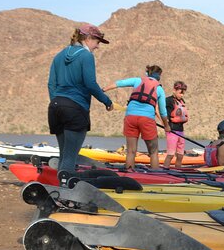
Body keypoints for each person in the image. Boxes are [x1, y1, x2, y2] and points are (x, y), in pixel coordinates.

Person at [48, 24, 113, 176]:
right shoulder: (86, 56)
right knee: (70, 156)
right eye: (97, 42)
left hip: (55, 107)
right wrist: (106, 101)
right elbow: (90, 83)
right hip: (75, 109)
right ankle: (66, 191)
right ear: (88, 38)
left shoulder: (59, 55)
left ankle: (60, 186)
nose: (97, 47)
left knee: (64, 154)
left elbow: (51, 84)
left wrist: (57, 101)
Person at [103, 65, 170, 170]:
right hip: (147, 119)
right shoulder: (159, 89)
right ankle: (156, 177)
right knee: (153, 152)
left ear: (148, 73)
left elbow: (119, 83)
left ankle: (129, 174)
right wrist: (166, 126)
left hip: (130, 117)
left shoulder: (137, 80)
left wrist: (103, 90)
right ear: (159, 76)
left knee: (130, 151)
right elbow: (163, 112)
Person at [163, 81, 189, 169]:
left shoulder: (181, 101)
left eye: (183, 93)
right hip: (172, 131)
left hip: (181, 131)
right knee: (170, 154)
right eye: (180, 93)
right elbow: (166, 115)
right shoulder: (169, 101)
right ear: (174, 90)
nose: (182, 95)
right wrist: (166, 125)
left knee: (180, 155)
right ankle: (165, 171)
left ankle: (178, 171)